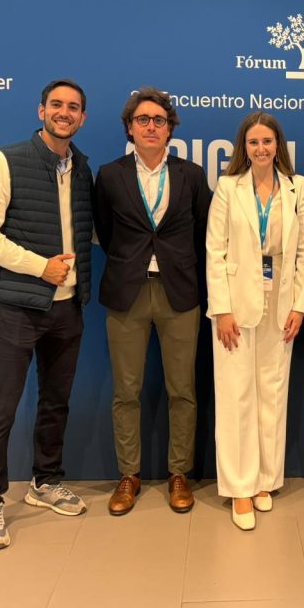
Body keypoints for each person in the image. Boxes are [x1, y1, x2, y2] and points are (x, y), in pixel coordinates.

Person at [0, 79, 93, 550]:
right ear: (41, 110)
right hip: (17, 308)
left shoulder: (82, 168)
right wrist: (41, 267)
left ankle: (46, 481)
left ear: (83, 118)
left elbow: (84, 230)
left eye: (73, 107)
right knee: (0, 407)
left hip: (68, 308)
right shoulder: (4, 161)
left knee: (56, 402)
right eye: (56, 104)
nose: (64, 112)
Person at [94, 87, 210, 516]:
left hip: (179, 293)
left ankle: (179, 473)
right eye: (142, 119)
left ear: (169, 129)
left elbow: (203, 233)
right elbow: (105, 232)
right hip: (128, 292)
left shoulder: (191, 175)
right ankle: (129, 475)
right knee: (127, 391)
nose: (151, 127)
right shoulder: (110, 175)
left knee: (183, 390)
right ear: (130, 128)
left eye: (159, 120)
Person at [206, 112, 304, 530]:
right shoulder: (228, 187)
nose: (261, 148)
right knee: (237, 394)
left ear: (278, 145)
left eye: (268, 141)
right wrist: (222, 309)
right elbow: (215, 250)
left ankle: (266, 479)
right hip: (236, 302)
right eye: (254, 142)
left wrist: (299, 305)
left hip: (281, 300)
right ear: (244, 148)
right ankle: (239, 487)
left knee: (273, 390)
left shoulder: (299, 187)